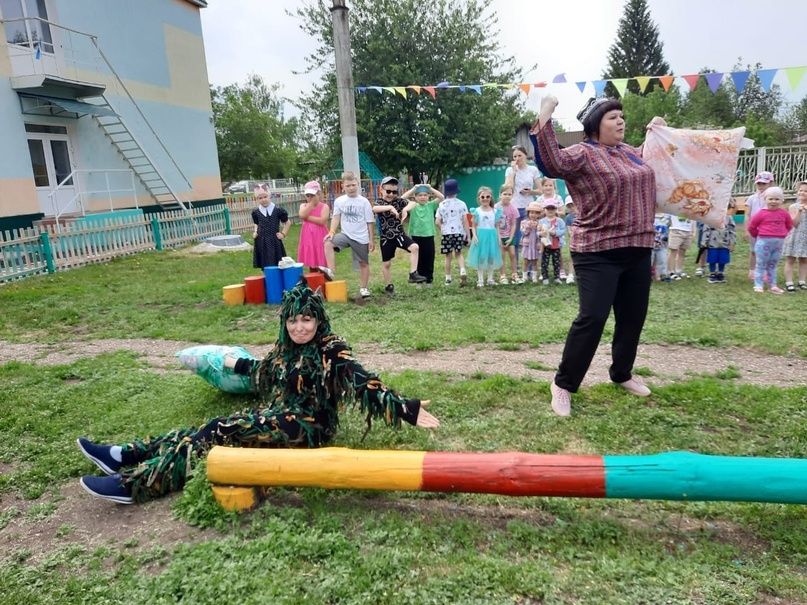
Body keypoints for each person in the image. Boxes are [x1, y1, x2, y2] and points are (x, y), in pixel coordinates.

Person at [77, 279, 441, 504]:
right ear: (286, 322)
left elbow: (361, 382)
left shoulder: (331, 349)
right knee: (204, 431)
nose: (300, 327)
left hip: (308, 428)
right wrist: (235, 364)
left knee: (220, 430)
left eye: (307, 319)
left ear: (318, 319)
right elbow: (263, 371)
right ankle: (124, 455)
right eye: (293, 320)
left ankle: (135, 485)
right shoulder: (284, 349)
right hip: (281, 416)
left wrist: (404, 407)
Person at [531, 95, 661, 416]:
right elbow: (550, 163)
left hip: (638, 247)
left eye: (621, 116)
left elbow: (659, 161)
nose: (620, 121)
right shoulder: (582, 154)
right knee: (593, 318)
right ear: (594, 125)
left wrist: (658, 134)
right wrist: (545, 115)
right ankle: (563, 384)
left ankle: (622, 374)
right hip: (597, 249)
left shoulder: (632, 153)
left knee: (633, 317)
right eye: (612, 117)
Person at [324, 172, 376, 299]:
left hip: (361, 237)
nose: (351, 188)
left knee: (363, 263)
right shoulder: (339, 201)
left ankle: (364, 288)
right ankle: (331, 271)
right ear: (343, 186)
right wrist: (331, 232)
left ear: (357, 184)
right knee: (328, 243)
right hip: (345, 235)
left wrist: (371, 239)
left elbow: (370, 222)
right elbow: (336, 217)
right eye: (348, 186)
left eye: (353, 185)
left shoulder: (364, 202)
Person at [373, 176, 428, 295]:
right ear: (381, 190)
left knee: (415, 247)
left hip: (399, 234)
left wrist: (405, 210)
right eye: (388, 191)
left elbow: (413, 203)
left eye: (394, 192)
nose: (391, 194)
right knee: (386, 263)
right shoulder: (380, 202)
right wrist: (390, 207)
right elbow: (374, 208)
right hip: (386, 238)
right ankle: (389, 286)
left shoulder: (398, 200)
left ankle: (413, 274)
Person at [747, 186, 794, 294]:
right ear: (765, 199)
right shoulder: (761, 213)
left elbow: (789, 225)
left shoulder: (784, 213)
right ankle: (758, 285)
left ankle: (773, 285)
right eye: (771, 199)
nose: (773, 201)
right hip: (763, 242)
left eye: (777, 199)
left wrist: (783, 233)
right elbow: (752, 227)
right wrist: (757, 235)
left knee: (773, 264)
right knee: (761, 264)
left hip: (778, 243)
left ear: (782, 200)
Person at [504, 145, 541, 279]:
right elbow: (508, 188)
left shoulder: (533, 170)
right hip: (514, 208)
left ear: (525, 156)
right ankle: (518, 267)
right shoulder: (509, 170)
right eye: (515, 156)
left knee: (531, 238)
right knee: (516, 238)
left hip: (529, 208)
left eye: (520, 155)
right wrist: (513, 172)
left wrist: (530, 191)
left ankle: (531, 268)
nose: (517, 158)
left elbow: (540, 190)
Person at [402, 182, 443, 285]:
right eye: (420, 195)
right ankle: (419, 281)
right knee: (419, 259)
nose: (422, 197)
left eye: (425, 195)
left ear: (428, 196)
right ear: (415, 197)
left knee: (429, 258)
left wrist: (430, 188)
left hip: (429, 236)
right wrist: (414, 188)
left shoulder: (431, 205)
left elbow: (441, 197)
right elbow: (402, 198)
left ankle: (429, 280)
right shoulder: (413, 205)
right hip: (416, 236)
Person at [436, 179, 470, 286]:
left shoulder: (442, 204)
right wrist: (468, 236)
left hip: (446, 233)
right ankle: (463, 270)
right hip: (459, 232)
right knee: (459, 254)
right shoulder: (462, 204)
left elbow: (437, 221)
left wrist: (442, 227)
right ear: (456, 191)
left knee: (448, 256)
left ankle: (448, 278)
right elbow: (465, 220)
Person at [467, 186, 503, 287]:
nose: (485, 199)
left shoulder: (495, 211)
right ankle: (480, 279)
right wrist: (474, 236)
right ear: (479, 198)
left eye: (488, 196)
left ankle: (490, 278)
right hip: (481, 236)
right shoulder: (477, 211)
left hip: (492, 236)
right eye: (483, 197)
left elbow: (496, 226)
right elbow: (473, 226)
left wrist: (498, 237)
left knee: (491, 257)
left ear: (491, 198)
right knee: (481, 257)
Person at [744, 171, 776, 280]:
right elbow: (747, 214)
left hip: (768, 229)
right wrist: (746, 230)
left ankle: (765, 271)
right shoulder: (752, 198)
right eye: (759, 184)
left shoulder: (773, 199)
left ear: (771, 183)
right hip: (754, 229)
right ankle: (752, 271)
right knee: (753, 250)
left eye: (764, 184)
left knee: (767, 250)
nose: (761, 186)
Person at [251, 184, 290, 269]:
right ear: (257, 199)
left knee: (277, 263)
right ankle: (268, 278)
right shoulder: (256, 212)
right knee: (265, 263)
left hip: (274, 240)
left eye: (265, 197)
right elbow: (256, 224)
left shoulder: (278, 210)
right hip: (262, 241)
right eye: (260, 198)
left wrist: (283, 234)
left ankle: (276, 278)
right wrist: (255, 232)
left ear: (269, 196)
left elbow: (287, 222)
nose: (263, 200)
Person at [297, 180, 330, 274]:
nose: (310, 198)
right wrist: (310, 205)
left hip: (320, 236)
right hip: (308, 237)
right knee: (312, 259)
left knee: (322, 258)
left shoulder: (324, 206)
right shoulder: (304, 205)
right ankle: (313, 279)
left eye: (313, 195)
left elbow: (322, 221)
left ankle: (325, 278)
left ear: (319, 194)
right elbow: (302, 215)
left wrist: (307, 218)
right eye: (308, 196)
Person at [701, 200, 737, 284]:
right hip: (712, 242)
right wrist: (704, 241)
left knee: (722, 259)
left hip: (724, 243)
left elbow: (732, 231)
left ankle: (721, 273)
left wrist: (732, 242)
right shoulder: (710, 218)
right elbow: (706, 230)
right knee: (712, 258)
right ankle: (712, 273)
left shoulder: (729, 218)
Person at [783, 180, 807, 292]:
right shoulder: (793, 206)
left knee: (804, 259)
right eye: (800, 190)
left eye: (806, 191)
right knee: (790, 259)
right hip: (794, 236)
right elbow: (794, 224)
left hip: (805, 237)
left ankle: (802, 281)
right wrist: (799, 211)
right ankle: (789, 282)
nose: (802, 193)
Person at [495, 184, 520, 284]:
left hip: (509, 236)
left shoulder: (513, 209)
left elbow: (514, 224)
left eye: (510, 194)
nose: (507, 196)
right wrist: (499, 237)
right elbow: (495, 224)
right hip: (499, 235)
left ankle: (514, 274)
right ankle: (502, 275)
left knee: (513, 254)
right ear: (500, 195)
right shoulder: (496, 207)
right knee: (501, 255)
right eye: (505, 194)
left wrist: (511, 237)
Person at [538, 199, 566, 284]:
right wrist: (540, 234)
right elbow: (538, 231)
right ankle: (545, 277)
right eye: (548, 208)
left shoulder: (560, 220)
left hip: (556, 245)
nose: (550, 210)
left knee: (556, 262)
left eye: (552, 208)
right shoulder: (541, 221)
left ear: (556, 209)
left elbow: (563, 230)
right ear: (544, 210)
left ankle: (557, 277)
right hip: (546, 245)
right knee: (544, 262)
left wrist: (555, 233)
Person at [520, 201, 543, 283]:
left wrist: (538, 229)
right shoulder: (524, 222)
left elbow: (540, 236)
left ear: (539, 214)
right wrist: (528, 226)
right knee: (525, 262)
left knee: (534, 262)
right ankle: (524, 277)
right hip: (527, 246)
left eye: (536, 213)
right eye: (532, 212)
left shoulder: (540, 223)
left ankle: (534, 277)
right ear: (528, 213)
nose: (533, 215)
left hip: (535, 246)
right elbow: (523, 233)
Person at [667, 215, 693, 279]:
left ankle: (678, 270)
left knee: (682, 251)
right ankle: (671, 271)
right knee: (673, 251)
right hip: (676, 229)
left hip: (688, 230)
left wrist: (693, 230)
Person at [652, 212, 672, 282]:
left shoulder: (668, 216)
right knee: (650, 260)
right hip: (651, 243)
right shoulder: (650, 214)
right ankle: (648, 275)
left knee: (662, 260)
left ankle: (659, 275)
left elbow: (670, 227)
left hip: (663, 244)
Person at [562, 198, 576, 284]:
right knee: (572, 257)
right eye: (569, 206)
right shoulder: (568, 217)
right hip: (574, 240)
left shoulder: (584, 215)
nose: (572, 208)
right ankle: (570, 274)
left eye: (573, 205)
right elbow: (569, 231)